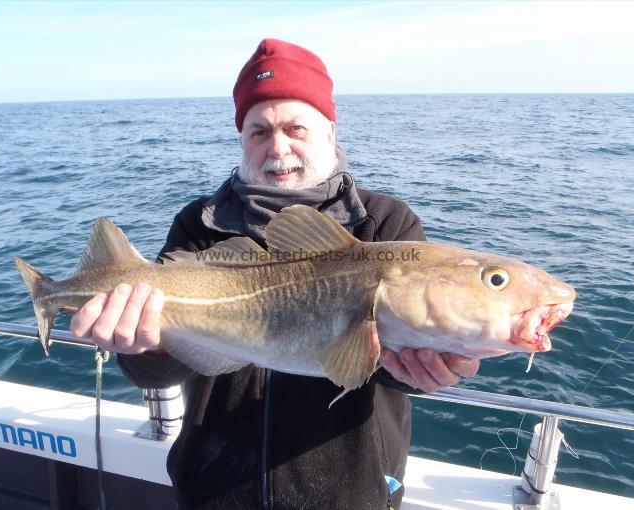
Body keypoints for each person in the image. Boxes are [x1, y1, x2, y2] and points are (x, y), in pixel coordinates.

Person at [71, 39, 480, 510]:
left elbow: (395, 362)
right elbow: (157, 368)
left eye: (295, 128)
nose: (278, 148)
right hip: (212, 492)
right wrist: (146, 345)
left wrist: (432, 366)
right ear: (241, 138)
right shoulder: (199, 224)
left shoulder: (384, 226)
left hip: (352, 496)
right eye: (259, 131)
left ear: (330, 130)